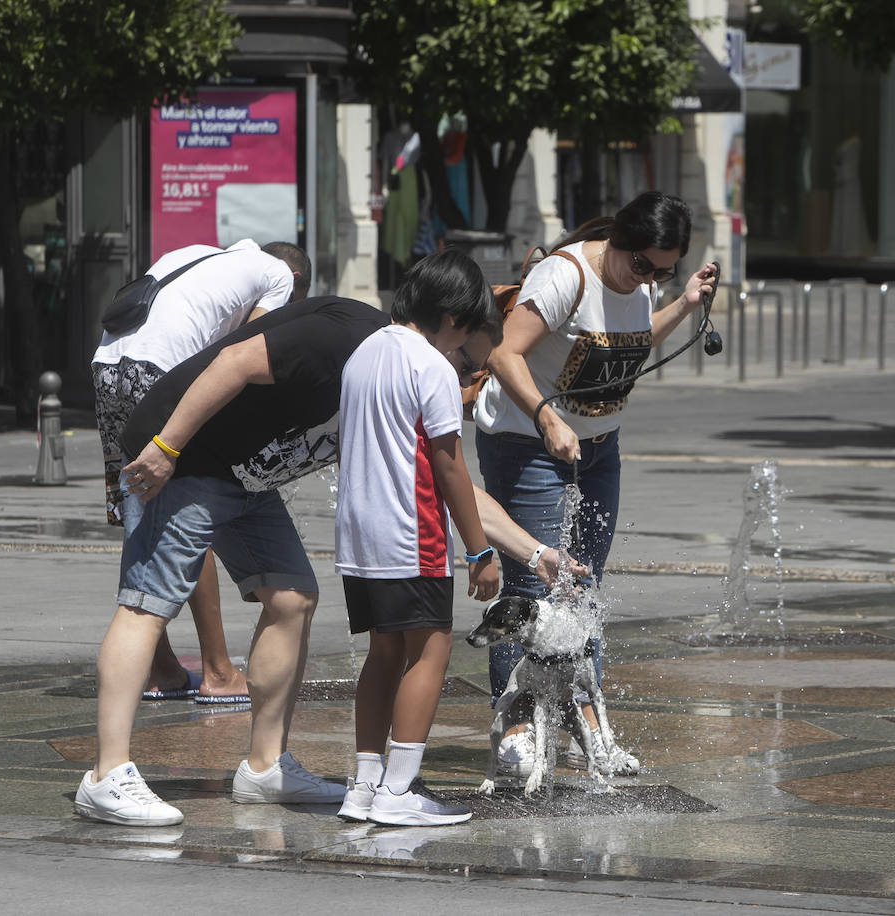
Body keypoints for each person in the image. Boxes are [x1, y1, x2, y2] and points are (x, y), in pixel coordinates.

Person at [74, 286, 582, 827]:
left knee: (292, 598)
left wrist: (534, 553)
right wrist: (168, 447)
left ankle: (265, 766)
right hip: (184, 457)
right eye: (465, 363)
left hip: (246, 476)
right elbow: (236, 359)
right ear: (445, 327)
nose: (464, 383)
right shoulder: (347, 337)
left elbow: (446, 477)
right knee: (148, 604)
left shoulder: (407, 376)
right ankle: (107, 775)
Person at [472, 190, 718, 777]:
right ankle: (517, 726)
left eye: (665, 270)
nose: (648, 278)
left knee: (584, 592)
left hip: (598, 448)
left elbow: (629, 344)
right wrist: (547, 417)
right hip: (526, 443)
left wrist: (682, 303)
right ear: (621, 242)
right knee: (535, 580)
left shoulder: (642, 282)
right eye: (643, 265)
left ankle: (587, 725)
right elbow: (506, 354)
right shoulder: (566, 275)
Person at [92, 238, 310, 706]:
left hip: (107, 369)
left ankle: (162, 667)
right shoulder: (275, 276)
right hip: (159, 372)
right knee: (189, 510)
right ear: (295, 285)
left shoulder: (202, 255)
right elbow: (251, 354)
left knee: (140, 507)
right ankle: (217, 669)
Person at [333, 250, 500, 826]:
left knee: (384, 650)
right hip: (412, 531)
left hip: (359, 534)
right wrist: (480, 550)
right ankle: (399, 794)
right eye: (467, 330)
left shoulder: (363, 352)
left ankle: (364, 785)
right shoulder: (431, 367)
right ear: (453, 318)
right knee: (431, 651)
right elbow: (449, 466)